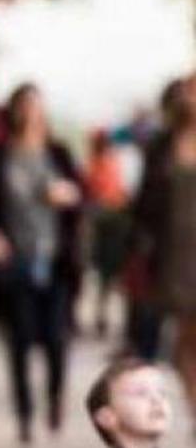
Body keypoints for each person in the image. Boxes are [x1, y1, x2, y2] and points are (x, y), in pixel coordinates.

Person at [0, 84, 85, 446]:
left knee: (56, 338)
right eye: (23, 107)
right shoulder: (0, 155)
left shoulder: (58, 152)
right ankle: (24, 415)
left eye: (35, 107)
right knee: (20, 339)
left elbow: (80, 197)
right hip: (16, 260)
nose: (29, 114)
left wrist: (67, 195)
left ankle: (54, 401)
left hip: (54, 259)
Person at [132, 77, 196, 397]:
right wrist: (140, 249)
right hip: (174, 252)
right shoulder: (161, 146)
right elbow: (143, 203)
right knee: (184, 329)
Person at [86, 129, 136, 339]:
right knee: (106, 280)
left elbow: (120, 190)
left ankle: (107, 319)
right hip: (104, 226)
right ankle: (102, 317)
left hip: (115, 226)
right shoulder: (95, 165)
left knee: (113, 280)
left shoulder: (111, 163)